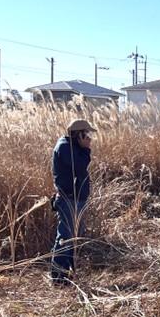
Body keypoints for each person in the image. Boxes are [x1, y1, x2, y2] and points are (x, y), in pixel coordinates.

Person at [50, 118, 96, 284]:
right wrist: (86, 150)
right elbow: (80, 166)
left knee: (73, 236)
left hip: (75, 199)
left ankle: (68, 274)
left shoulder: (72, 146)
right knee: (65, 238)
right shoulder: (65, 147)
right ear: (79, 134)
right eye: (87, 134)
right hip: (69, 199)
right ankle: (58, 277)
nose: (89, 138)